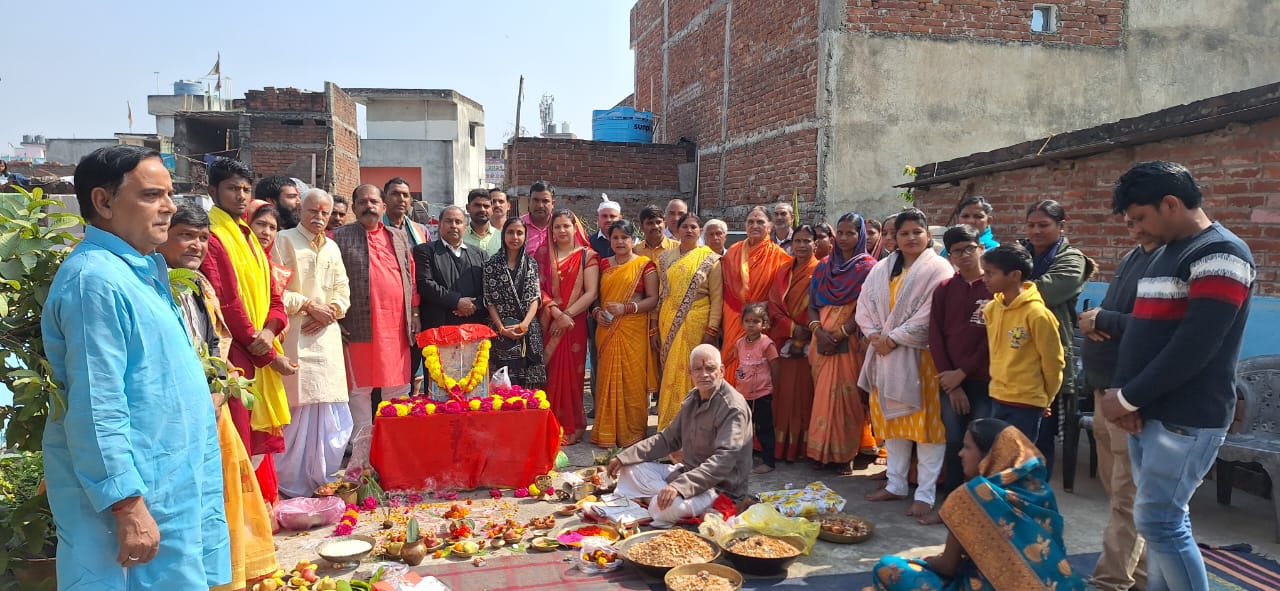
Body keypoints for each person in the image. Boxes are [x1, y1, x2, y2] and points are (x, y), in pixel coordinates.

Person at [44, 145, 230, 589]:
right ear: (103, 202)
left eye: (169, 194)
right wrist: (126, 506)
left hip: (171, 487)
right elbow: (96, 406)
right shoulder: (96, 282)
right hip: (134, 504)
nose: (168, 208)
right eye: (151, 196)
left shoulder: (139, 271)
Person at [1102, 161, 1255, 591]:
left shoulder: (1221, 254)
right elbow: (1144, 330)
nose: (1136, 228)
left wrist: (1131, 397)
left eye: (1139, 218)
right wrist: (1128, 397)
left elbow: (1195, 346)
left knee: (1161, 521)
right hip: (1150, 409)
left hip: (1186, 415)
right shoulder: (1167, 252)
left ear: (1171, 203)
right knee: (1158, 522)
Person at [157, 199, 280, 591]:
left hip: (213, 404)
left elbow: (214, 340)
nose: (195, 245)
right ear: (163, 237)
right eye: (185, 236)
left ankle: (227, 573)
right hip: (176, 417)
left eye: (201, 238)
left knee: (220, 497)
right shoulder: (154, 288)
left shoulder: (199, 285)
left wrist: (218, 389)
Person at [869, 419, 1087, 591]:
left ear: (991, 455)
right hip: (1062, 586)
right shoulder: (1041, 492)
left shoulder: (972, 497)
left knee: (888, 566)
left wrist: (924, 560)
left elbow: (947, 566)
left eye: (967, 447)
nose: (960, 454)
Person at [201, 157, 296, 502]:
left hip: (258, 346)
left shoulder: (248, 237)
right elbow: (226, 303)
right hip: (235, 355)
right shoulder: (213, 236)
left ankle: (257, 513)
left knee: (254, 447)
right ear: (212, 191)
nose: (241, 196)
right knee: (238, 442)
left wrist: (270, 332)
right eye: (232, 188)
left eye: (245, 189)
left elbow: (274, 294)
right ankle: (243, 527)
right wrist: (267, 353)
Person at [856, 208, 953, 521]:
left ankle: (925, 495)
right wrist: (874, 335)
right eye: (904, 233)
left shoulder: (939, 268)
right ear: (894, 238)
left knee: (926, 430)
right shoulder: (883, 268)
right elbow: (865, 305)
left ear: (927, 235)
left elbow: (930, 314)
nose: (911, 238)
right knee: (893, 426)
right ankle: (895, 484)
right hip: (884, 356)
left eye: (917, 232)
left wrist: (894, 338)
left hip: (919, 357)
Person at [1078, 215, 1157, 591]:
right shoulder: (1132, 257)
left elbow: (1156, 326)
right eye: (1129, 221)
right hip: (1103, 389)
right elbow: (1114, 316)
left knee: (1129, 497)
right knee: (1118, 494)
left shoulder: (1174, 261)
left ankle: (1110, 582)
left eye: (1141, 218)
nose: (1134, 227)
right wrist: (1091, 321)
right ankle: (1141, 578)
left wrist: (1102, 318)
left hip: (1130, 396)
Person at [606, 344, 752, 527]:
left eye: (710, 368)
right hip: (687, 472)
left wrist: (679, 486)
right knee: (629, 468)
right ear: (690, 373)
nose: (704, 374)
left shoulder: (732, 407)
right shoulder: (693, 398)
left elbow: (723, 461)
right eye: (698, 369)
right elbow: (667, 439)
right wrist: (624, 457)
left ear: (721, 370)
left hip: (719, 488)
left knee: (668, 508)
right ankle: (656, 499)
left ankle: (655, 501)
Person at [271, 189, 354, 499]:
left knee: (330, 414)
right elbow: (277, 291)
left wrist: (330, 311)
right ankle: (290, 484)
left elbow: (343, 291)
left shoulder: (332, 247)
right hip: (297, 335)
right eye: (312, 211)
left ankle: (323, 479)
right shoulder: (284, 240)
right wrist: (308, 305)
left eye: (324, 212)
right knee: (298, 413)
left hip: (327, 336)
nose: (318, 217)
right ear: (301, 211)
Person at [335, 184, 417, 442]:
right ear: (354, 207)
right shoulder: (339, 237)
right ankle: (362, 447)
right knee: (359, 390)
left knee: (398, 387)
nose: (368, 206)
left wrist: (414, 314)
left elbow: (410, 276)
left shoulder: (399, 236)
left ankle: (396, 443)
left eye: (373, 201)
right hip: (358, 324)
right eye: (362, 202)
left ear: (383, 207)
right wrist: (335, 321)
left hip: (396, 326)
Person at [1021, 199, 1094, 475]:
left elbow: (1048, 292)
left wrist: (1009, 284)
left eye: (1044, 225)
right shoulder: (1020, 252)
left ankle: (1038, 495)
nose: (1036, 231)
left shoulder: (1072, 259)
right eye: (1031, 225)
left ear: (1061, 226)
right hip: (1013, 351)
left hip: (1047, 353)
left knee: (1040, 435)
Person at [808, 213, 878, 473]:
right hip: (821, 341)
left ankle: (846, 453)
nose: (845, 238)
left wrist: (840, 334)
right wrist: (819, 332)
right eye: (841, 232)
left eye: (851, 233)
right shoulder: (824, 266)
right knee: (823, 396)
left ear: (860, 235)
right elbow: (813, 305)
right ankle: (820, 451)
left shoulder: (869, 268)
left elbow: (868, 308)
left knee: (849, 397)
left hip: (851, 340)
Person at [929, 225, 994, 498]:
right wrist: (950, 380)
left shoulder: (994, 288)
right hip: (949, 383)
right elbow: (935, 335)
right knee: (954, 440)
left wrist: (963, 373)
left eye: (970, 248)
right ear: (950, 256)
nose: (965, 255)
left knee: (981, 443)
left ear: (981, 248)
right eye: (957, 251)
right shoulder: (945, 289)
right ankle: (952, 504)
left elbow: (991, 339)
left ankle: (980, 505)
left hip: (984, 380)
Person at [981, 244, 1065, 441]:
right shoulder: (992, 308)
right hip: (998, 396)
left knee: (1020, 462)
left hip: (1027, 401)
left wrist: (1046, 399)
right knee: (999, 458)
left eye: (990, 273)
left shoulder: (1037, 314)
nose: (984, 278)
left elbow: (1054, 362)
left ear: (1014, 275)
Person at [591, 219, 659, 448]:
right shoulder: (603, 264)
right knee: (607, 379)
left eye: (624, 237)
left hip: (634, 329)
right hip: (608, 329)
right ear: (609, 240)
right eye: (615, 237)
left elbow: (653, 299)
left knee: (633, 380)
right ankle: (608, 432)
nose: (620, 241)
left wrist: (627, 308)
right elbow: (596, 297)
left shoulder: (644, 264)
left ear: (633, 240)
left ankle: (633, 432)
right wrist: (597, 312)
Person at [535, 209, 599, 445]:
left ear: (575, 228)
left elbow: (591, 292)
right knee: (549, 374)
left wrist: (567, 315)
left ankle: (570, 425)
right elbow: (537, 288)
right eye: (557, 227)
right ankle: (548, 424)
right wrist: (555, 312)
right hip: (549, 321)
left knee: (572, 375)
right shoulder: (542, 254)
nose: (562, 231)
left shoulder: (587, 256)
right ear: (551, 231)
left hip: (574, 324)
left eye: (566, 226)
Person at [656, 213, 723, 429]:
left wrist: (712, 330)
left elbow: (717, 297)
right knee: (670, 376)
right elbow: (662, 295)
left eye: (694, 227)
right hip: (668, 320)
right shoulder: (665, 258)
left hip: (697, 322)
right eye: (684, 226)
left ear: (700, 230)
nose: (689, 230)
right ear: (676, 230)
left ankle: (694, 430)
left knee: (694, 372)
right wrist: (654, 327)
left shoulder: (710, 258)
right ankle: (669, 428)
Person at [722, 206, 791, 387]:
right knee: (731, 362)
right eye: (751, 221)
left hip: (763, 321)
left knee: (759, 369)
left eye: (760, 221)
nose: (755, 225)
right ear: (745, 225)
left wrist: (762, 308)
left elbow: (784, 295)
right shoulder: (733, 252)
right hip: (734, 318)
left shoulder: (780, 256)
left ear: (770, 226)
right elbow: (726, 288)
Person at [766, 224, 819, 463]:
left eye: (807, 241)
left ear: (815, 244)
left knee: (805, 395)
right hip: (785, 341)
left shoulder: (821, 271)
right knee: (784, 394)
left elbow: (822, 306)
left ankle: (803, 447)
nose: (801, 245)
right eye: (797, 240)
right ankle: (782, 448)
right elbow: (774, 305)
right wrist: (791, 328)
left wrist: (806, 330)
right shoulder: (783, 270)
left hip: (810, 342)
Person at [483, 217, 546, 388]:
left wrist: (524, 325)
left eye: (520, 233)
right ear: (503, 235)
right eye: (510, 232)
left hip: (527, 330)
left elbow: (535, 298)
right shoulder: (491, 264)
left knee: (530, 388)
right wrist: (502, 329)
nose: (515, 237)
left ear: (525, 236)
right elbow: (489, 300)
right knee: (502, 384)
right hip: (500, 330)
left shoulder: (531, 264)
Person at [416, 205, 488, 331]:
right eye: (448, 221)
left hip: (474, 327)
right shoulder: (425, 251)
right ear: (439, 225)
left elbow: (490, 288)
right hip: (439, 327)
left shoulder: (480, 254)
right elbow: (425, 284)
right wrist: (456, 301)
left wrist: (474, 305)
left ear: (465, 228)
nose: (453, 225)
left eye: (458, 222)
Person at [734, 302, 780, 473]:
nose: (751, 325)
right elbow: (741, 365)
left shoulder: (767, 344)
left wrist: (772, 387)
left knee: (764, 428)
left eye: (756, 321)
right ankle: (742, 460)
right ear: (742, 323)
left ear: (764, 324)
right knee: (743, 428)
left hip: (762, 394)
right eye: (748, 321)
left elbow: (775, 366)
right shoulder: (739, 343)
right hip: (743, 394)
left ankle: (768, 461)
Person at [246, 199, 294, 300]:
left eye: (272, 228)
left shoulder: (267, 263)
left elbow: (275, 301)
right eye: (260, 224)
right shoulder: (238, 257)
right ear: (247, 223)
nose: (267, 232)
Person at [383, 177, 430, 247]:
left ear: (410, 200)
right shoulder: (374, 229)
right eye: (395, 194)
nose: (401, 199)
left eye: (405, 195)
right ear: (384, 198)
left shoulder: (422, 231)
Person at [522, 180, 556, 256]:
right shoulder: (518, 226)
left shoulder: (561, 226)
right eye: (536, 200)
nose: (540, 205)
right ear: (529, 201)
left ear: (553, 204)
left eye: (545, 201)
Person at [463, 188, 500, 257]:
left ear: (492, 209)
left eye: (486, 206)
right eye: (477, 205)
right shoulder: (460, 237)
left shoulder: (502, 237)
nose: (482, 209)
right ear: (467, 208)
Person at [590, 194, 622, 258]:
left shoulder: (631, 242)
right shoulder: (589, 243)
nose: (608, 220)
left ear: (620, 219)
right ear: (598, 219)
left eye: (612, 216)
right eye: (604, 216)